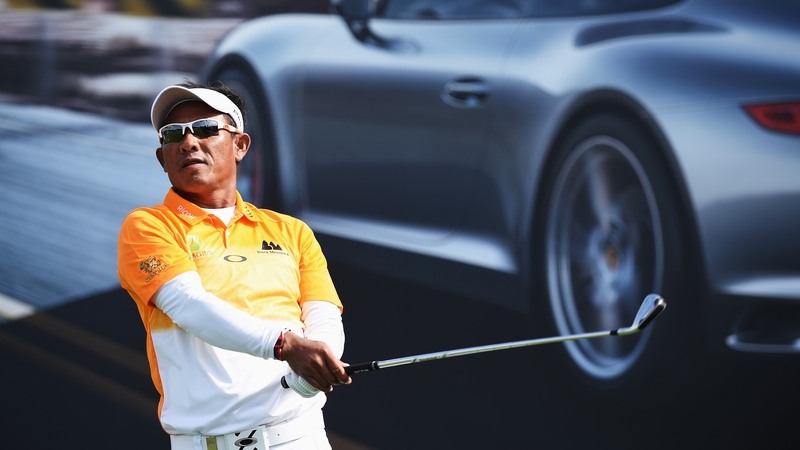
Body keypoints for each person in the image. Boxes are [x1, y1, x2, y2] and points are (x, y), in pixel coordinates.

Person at [117, 80, 351, 450]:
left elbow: (323, 316)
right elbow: (189, 305)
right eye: (173, 134)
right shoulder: (146, 226)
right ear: (163, 158)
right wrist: (286, 346)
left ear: (240, 145)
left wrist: (318, 363)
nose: (188, 142)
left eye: (205, 129)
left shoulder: (292, 231)